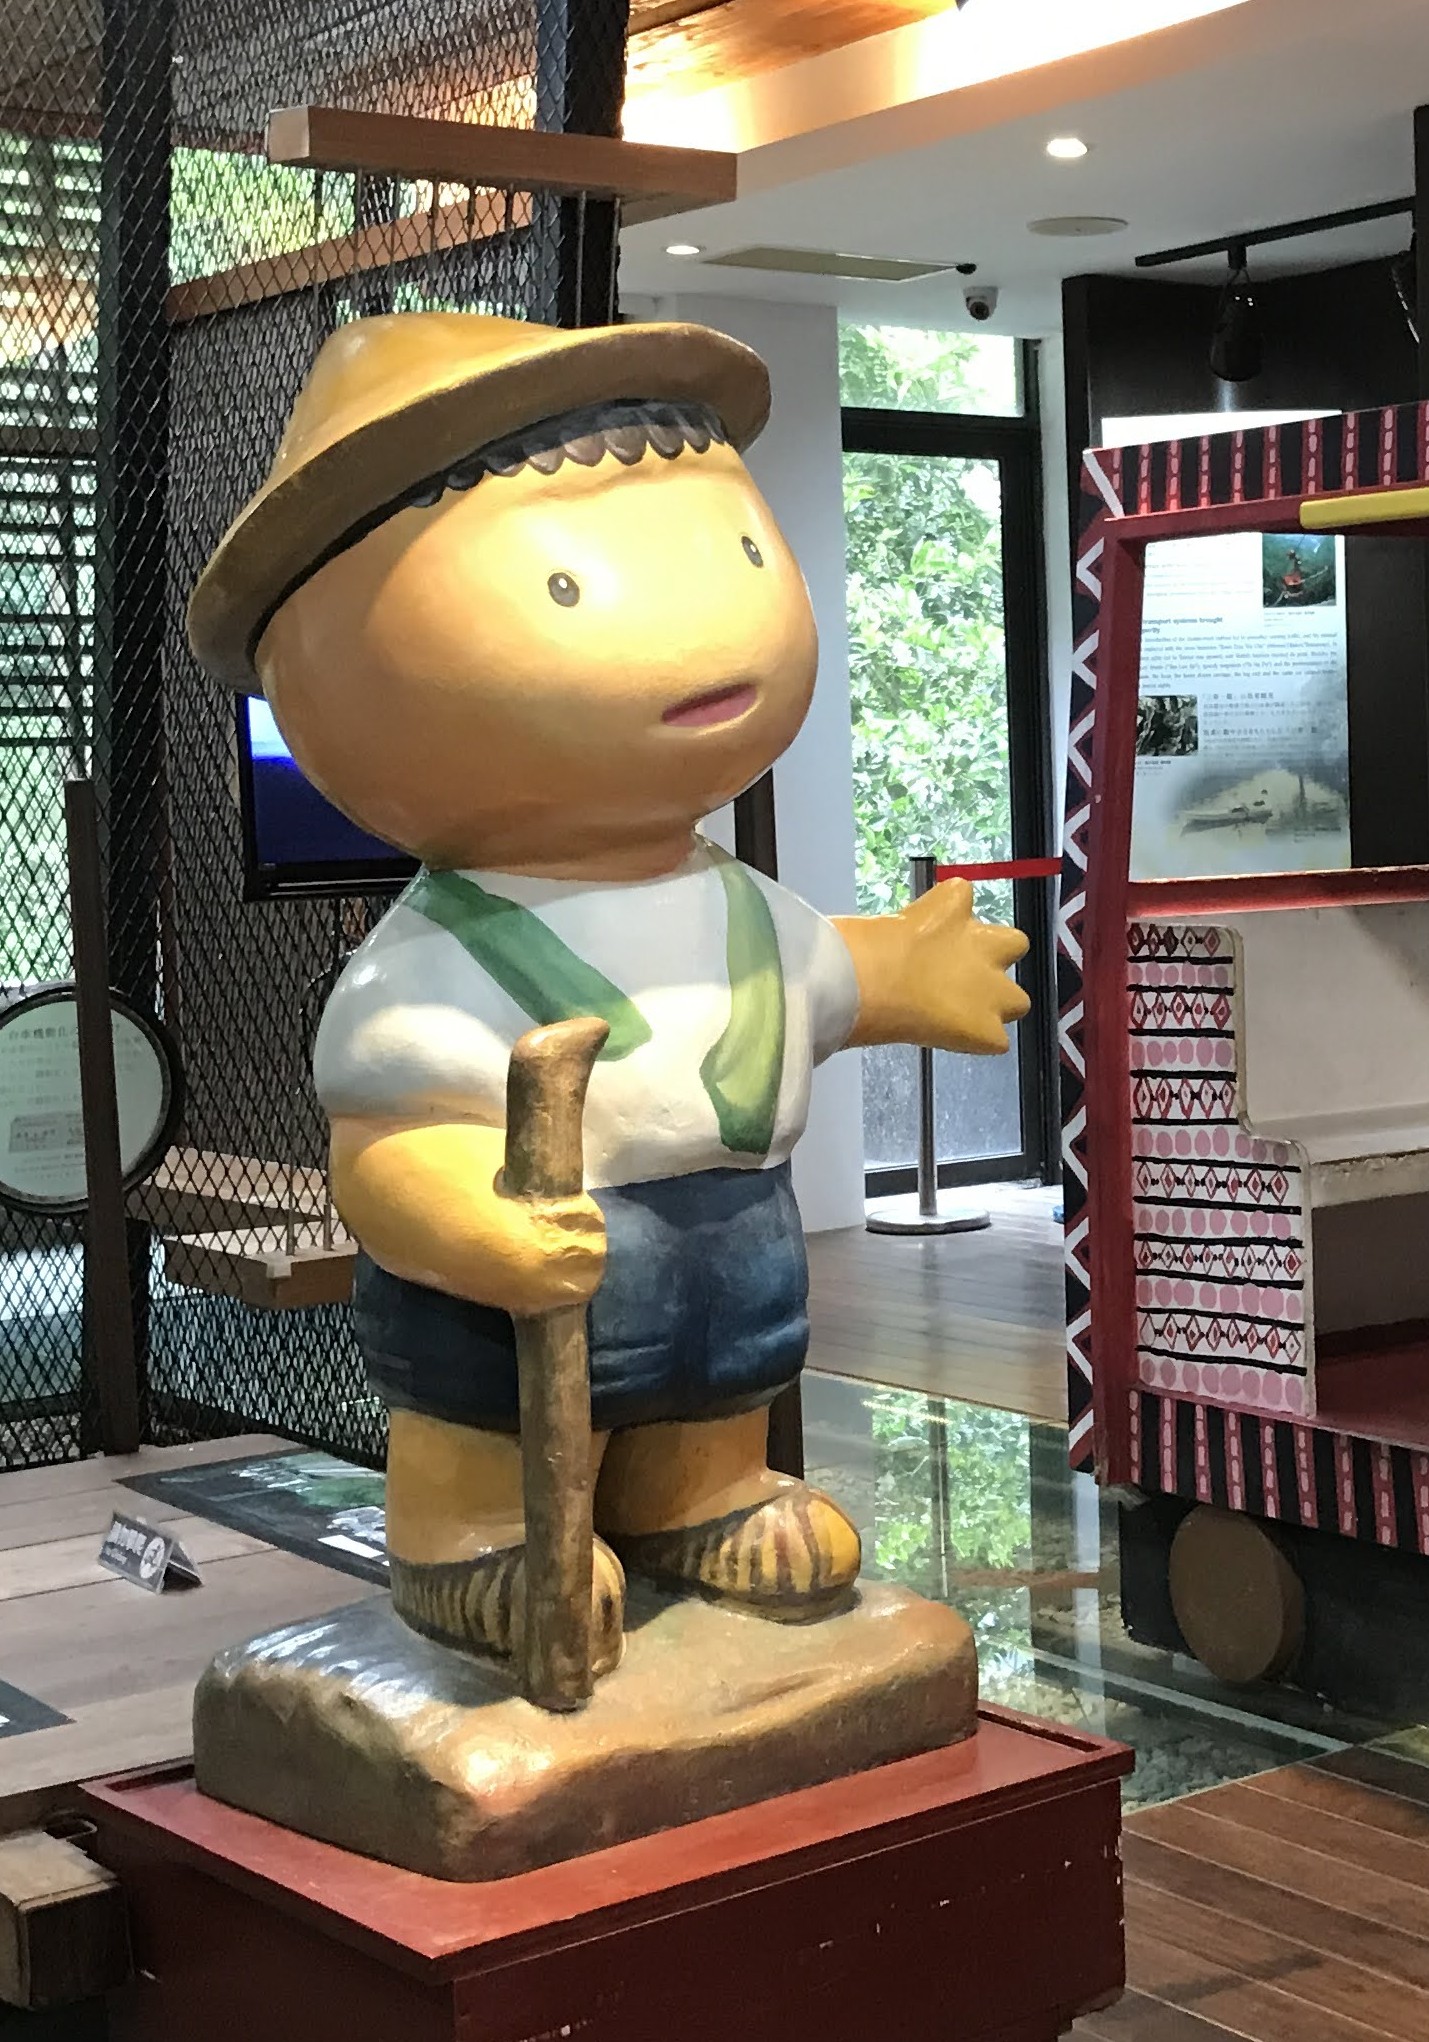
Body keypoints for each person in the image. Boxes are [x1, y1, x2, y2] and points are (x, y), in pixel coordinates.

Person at [184, 313, 1032, 1677]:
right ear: (327, 674)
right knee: (481, 1416)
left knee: (720, 1387)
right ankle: (466, 1539)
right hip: (517, 1294)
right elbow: (382, 1149)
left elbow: (827, 973)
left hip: (731, 1243)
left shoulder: (741, 907)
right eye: (568, 586)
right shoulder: (434, 958)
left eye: (740, 552)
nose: (700, 625)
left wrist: (904, 970)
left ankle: (703, 1493)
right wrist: (470, 1221)